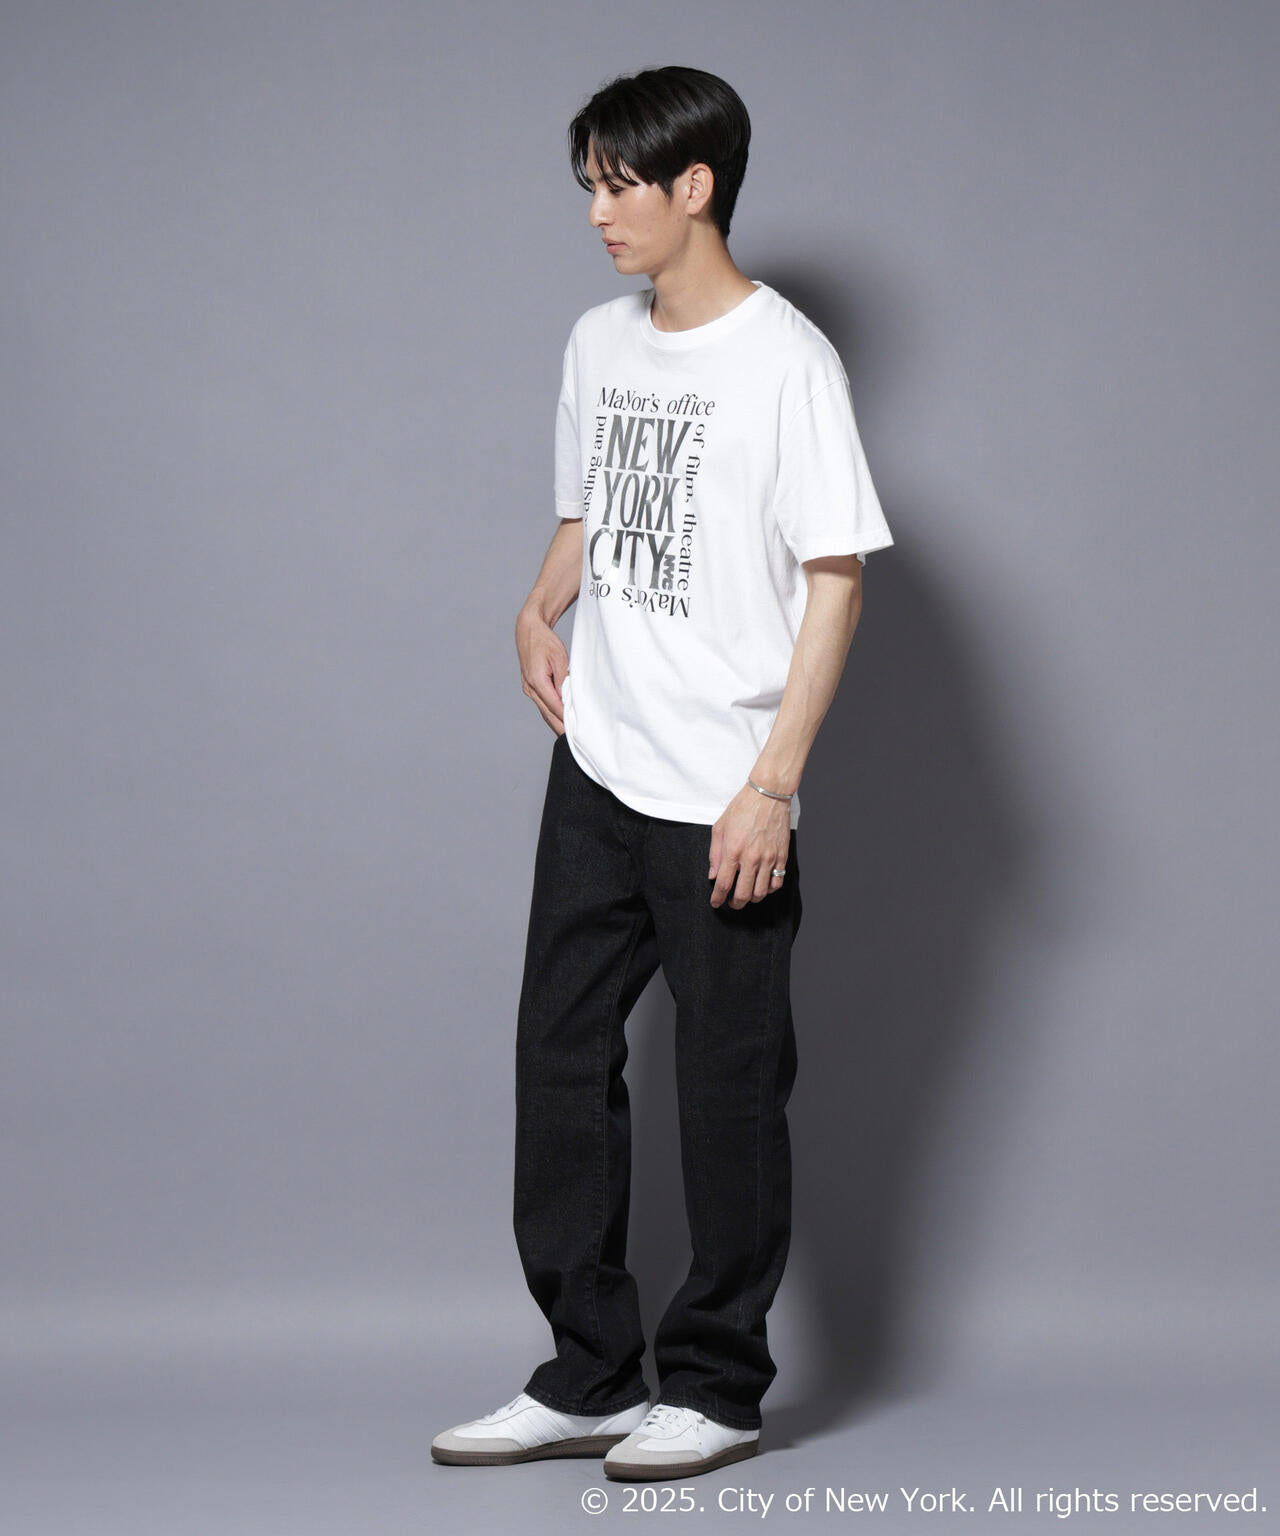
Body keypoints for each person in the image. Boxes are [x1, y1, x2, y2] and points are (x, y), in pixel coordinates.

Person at [432, 64, 893, 1482]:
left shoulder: (789, 363)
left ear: (696, 186)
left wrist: (774, 785)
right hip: (601, 766)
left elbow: (836, 581)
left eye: (619, 184)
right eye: (588, 184)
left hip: (724, 791)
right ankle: (586, 1373)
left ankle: (717, 1386)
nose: (597, 213)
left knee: (727, 1087)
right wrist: (535, 606)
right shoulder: (598, 341)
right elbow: (592, 512)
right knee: (561, 1062)